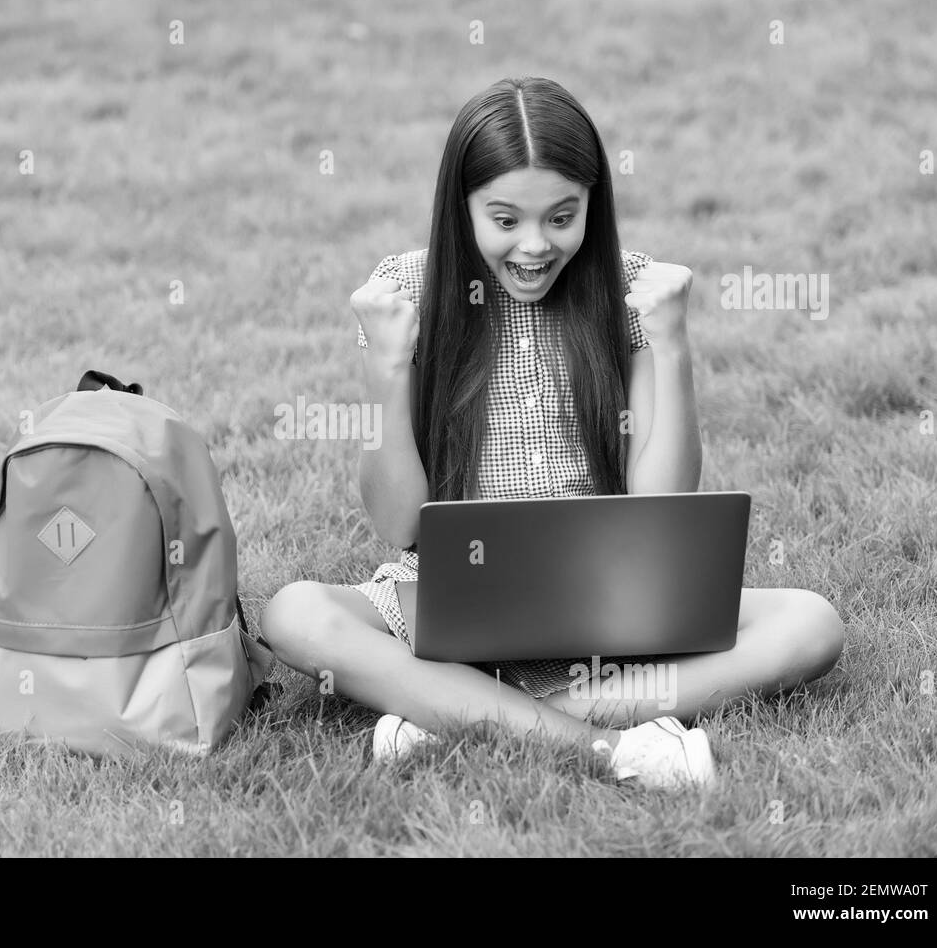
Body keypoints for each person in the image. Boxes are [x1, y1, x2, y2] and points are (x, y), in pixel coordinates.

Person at [259, 76, 844, 789]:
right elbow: (395, 519)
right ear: (460, 207)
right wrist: (387, 366)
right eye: (504, 220)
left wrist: (675, 346)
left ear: (592, 207)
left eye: (561, 217)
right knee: (295, 614)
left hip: (605, 601)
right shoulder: (405, 290)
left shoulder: (629, 292)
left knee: (811, 624)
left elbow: (658, 501)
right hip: (445, 594)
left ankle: (454, 711)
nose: (534, 246)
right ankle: (608, 743)